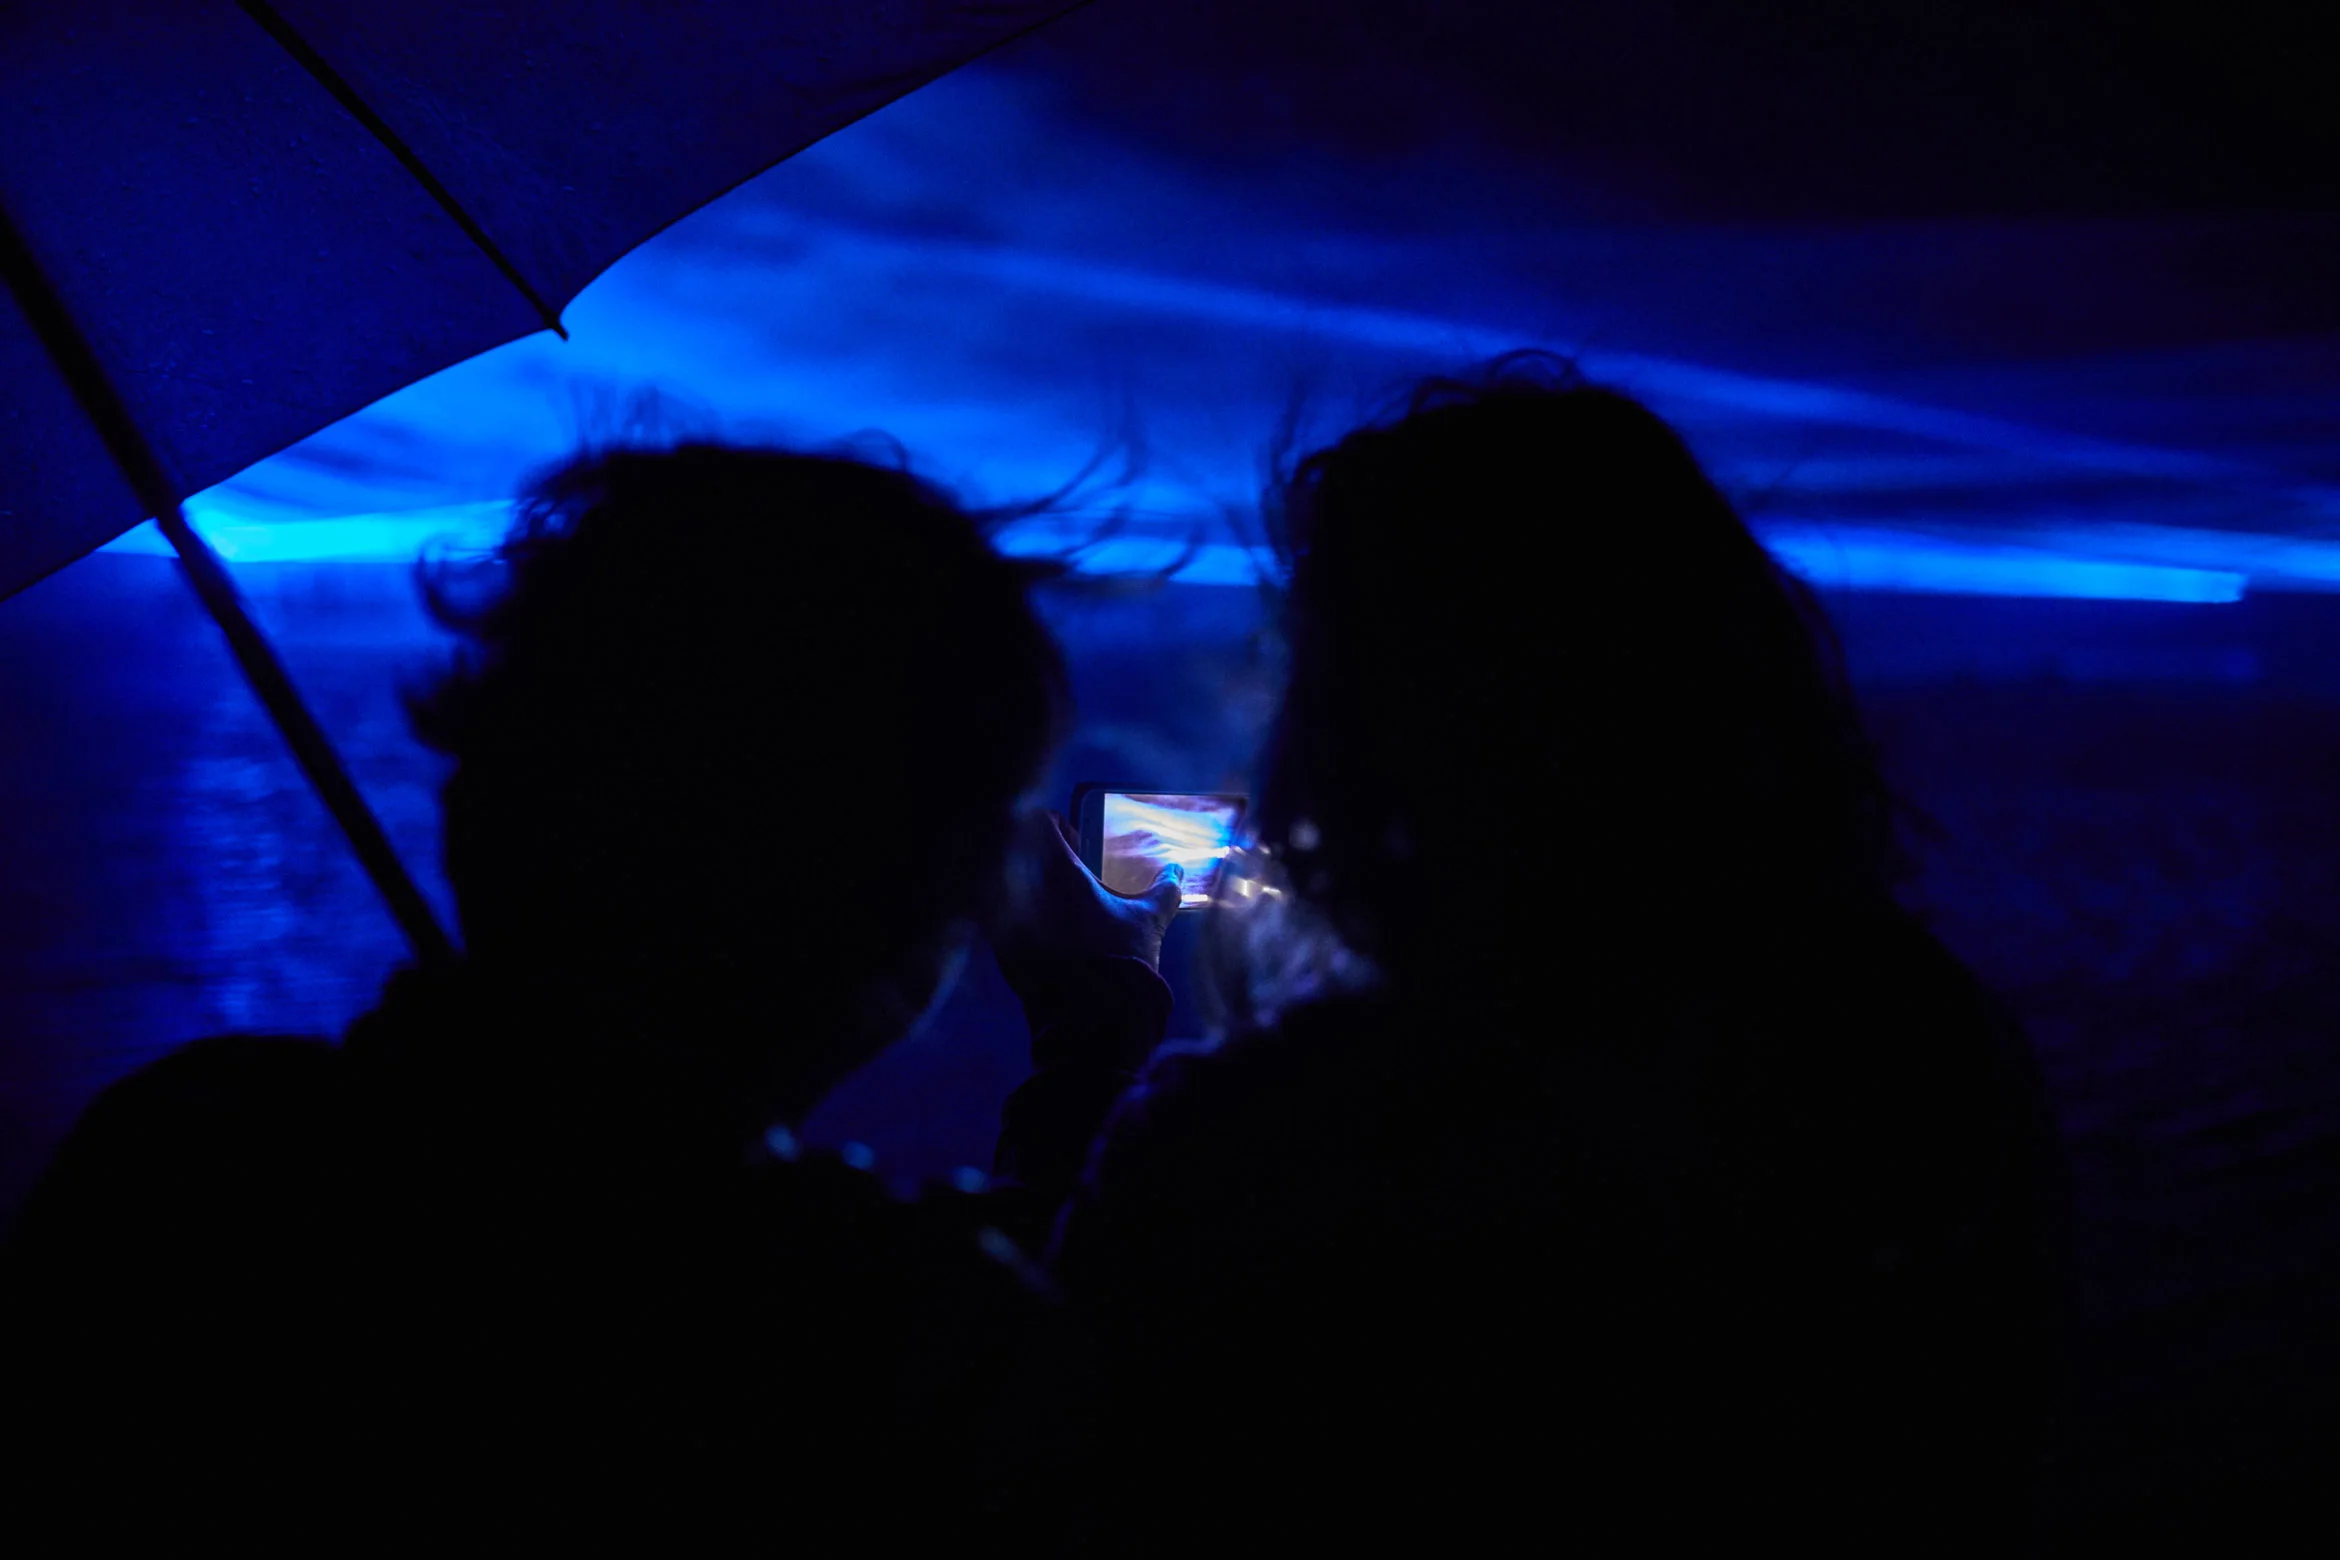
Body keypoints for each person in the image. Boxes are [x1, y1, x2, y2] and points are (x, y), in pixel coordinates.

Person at [990, 355, 2073, 1557]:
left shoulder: (1304, 1130)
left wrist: (1093, 1044)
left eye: (1309, 657)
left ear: (1372, 716)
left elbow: (1021, 1432)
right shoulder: (1920, 1045)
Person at [2, 444, 1148, 1555]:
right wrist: (1095, 1041)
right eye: (993, 829)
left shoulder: (184, 1166)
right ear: (938, 891)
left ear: (480, 799)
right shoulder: (890, 1347)